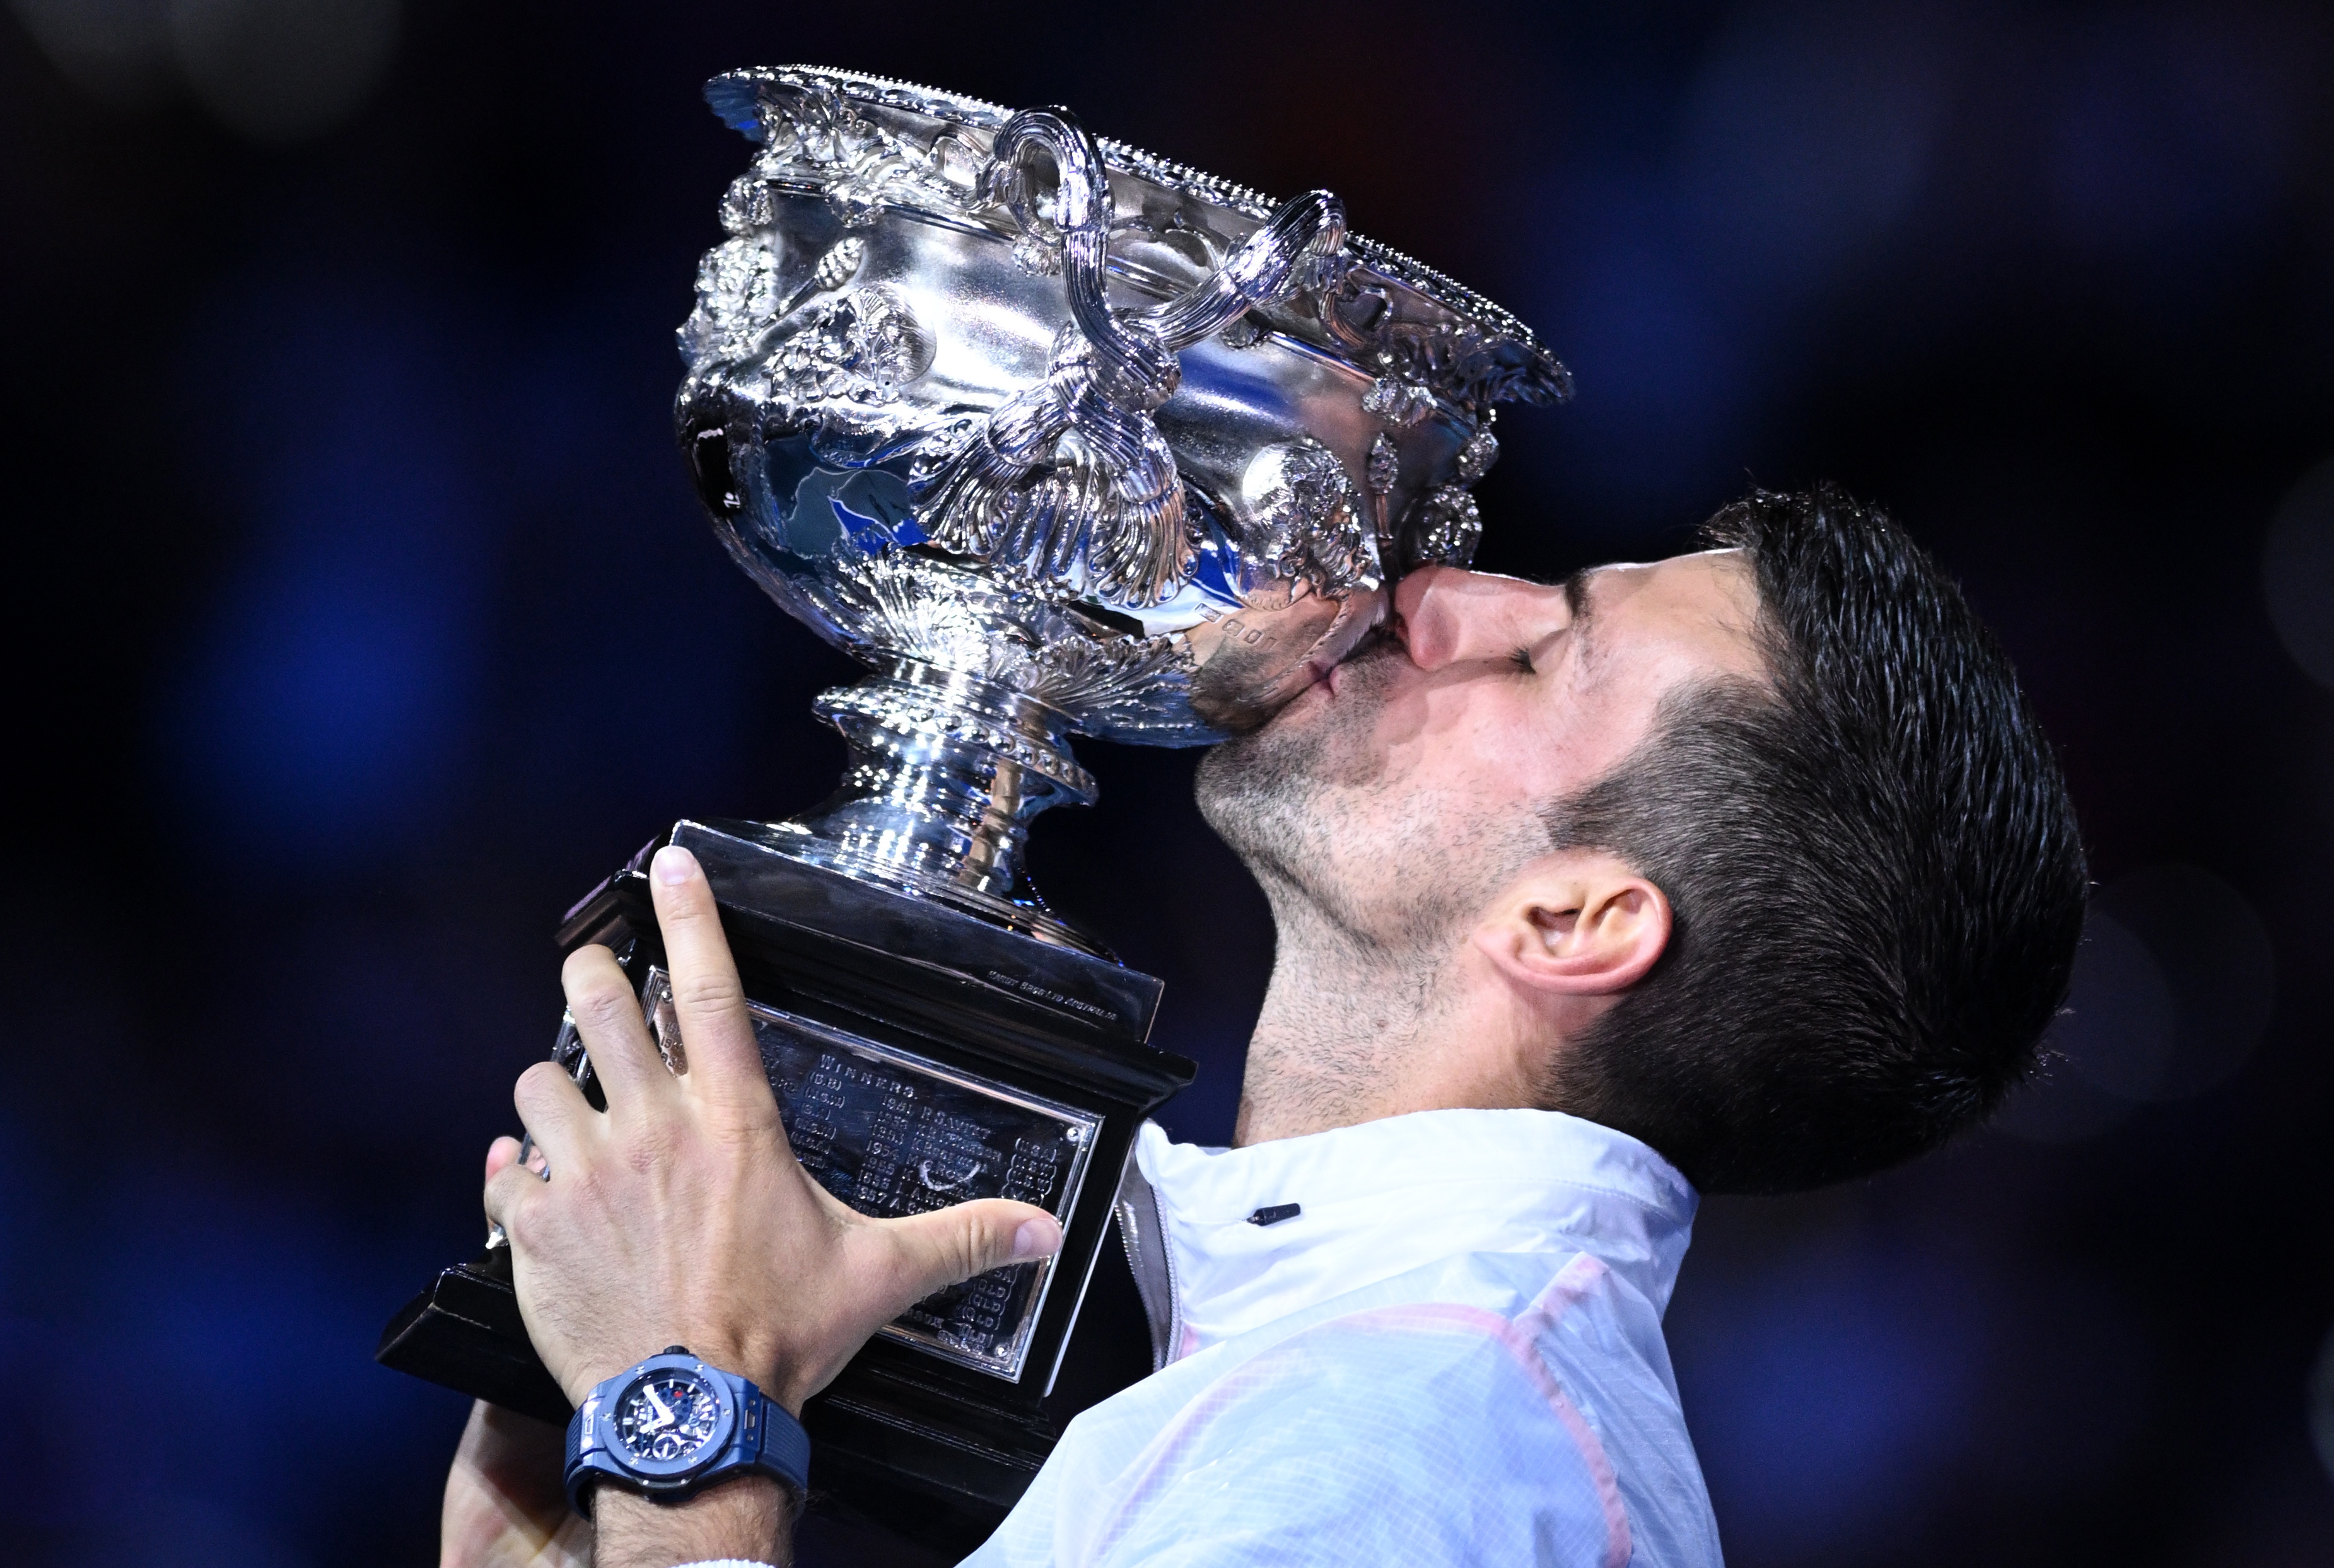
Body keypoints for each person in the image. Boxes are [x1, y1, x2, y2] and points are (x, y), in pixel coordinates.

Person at [440, 485, 2087, 1568]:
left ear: (1575, 924)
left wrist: (686, 1424)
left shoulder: (1418, 1453)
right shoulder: (1317, 1363)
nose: (1441, 592)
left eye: (1538, 652)